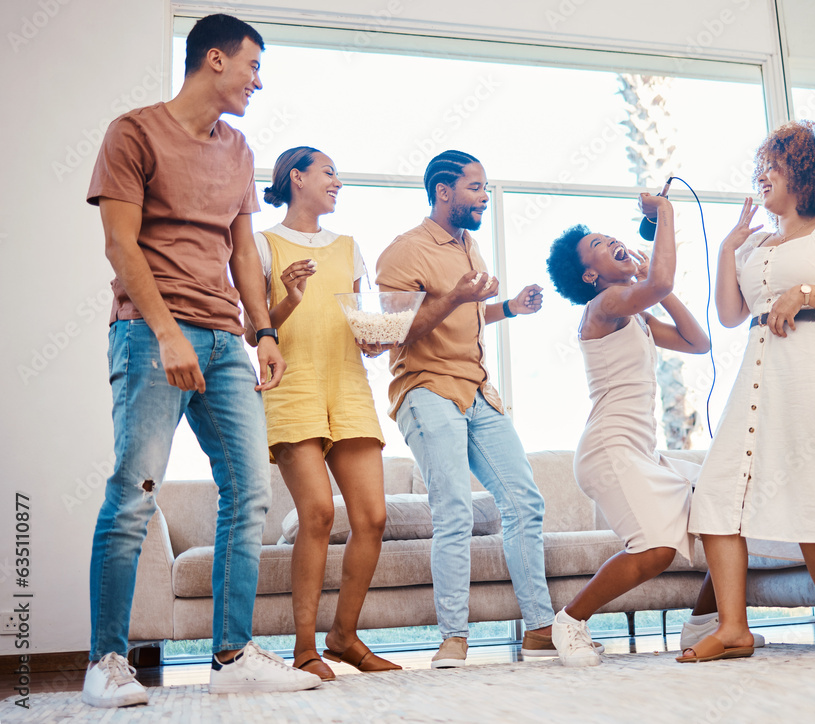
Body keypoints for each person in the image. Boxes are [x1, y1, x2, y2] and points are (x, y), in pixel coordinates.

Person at [84, 14, 321, 707]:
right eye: (253, 65)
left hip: (223, 338)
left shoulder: (239, 149)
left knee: (249, 490)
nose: (258, 80)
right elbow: (121, 244)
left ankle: (233, 653)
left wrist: (265, 330)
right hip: (151, 333)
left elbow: (244, 251)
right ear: (214, 59)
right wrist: (165, 332)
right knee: (136, 491)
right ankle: (106, 662)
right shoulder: (133, 132)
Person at [680, 120, 815, 663]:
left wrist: (804, 291)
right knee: (719, 494)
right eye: (762, 168)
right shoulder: (754, 241)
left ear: (807, 173)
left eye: (774, 166)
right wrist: (728, 248)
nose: (763, 177)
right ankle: (733, 630)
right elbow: (730, 316)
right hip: (758, 368)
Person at [375, 149, 560, 668]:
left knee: (525, 502)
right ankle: (454, 638)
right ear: (444, 192)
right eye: (476, 187)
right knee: (454, 510)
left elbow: (465, 316)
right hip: (427, 389)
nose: (484, 196)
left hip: (477, 391)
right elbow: (396, 331)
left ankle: (541, 629)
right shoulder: (404, 252)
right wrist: (456, 297)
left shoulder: (470, 246)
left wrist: (509, 308)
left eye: (484, 187)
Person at [245, 146, 400, 680]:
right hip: (292, 384)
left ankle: (344, 636)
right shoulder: (261, 245)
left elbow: (359, 321)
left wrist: (375, 338)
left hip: (348, 384)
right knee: (317, 513)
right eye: (328, 172)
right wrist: (288, 295)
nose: (338, 181)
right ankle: (305, 648)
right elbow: (253, 330)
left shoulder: (350, 247)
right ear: (297, 178)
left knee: (373, 517)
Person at [544, 186, 711, 666]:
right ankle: (569, 621)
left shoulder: (634, 315)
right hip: (609, 448)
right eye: (597, 244)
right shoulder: (603, 308)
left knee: (721, 512)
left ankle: (702, 625)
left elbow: (696, 342)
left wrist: (654, 281)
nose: (612, 239)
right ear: (591, 274)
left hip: (639, 452)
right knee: (655, 550)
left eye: (608, 235)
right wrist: (665, 218)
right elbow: (656, 285)